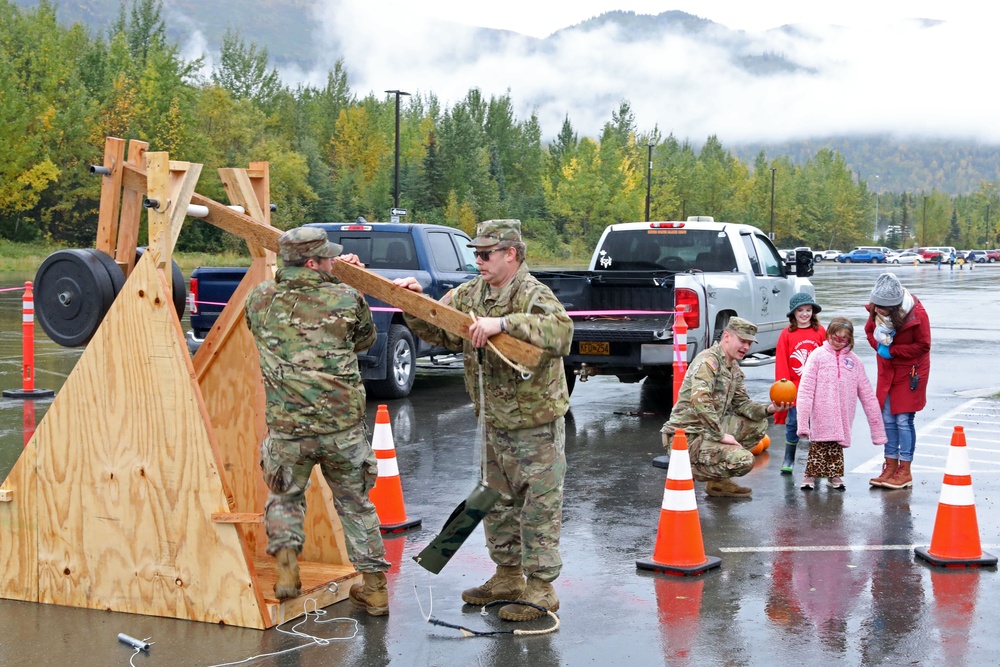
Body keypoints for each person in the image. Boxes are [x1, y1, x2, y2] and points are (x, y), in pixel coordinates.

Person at [393, 219, 573, 622]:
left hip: (534, 424)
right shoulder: (471, 291)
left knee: (538, 505)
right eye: (475, 253)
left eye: (486, 254)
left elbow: (562, 334)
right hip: (493, 420)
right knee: (496, 501)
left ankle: (541, 588)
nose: (478, 260)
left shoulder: (532, 294)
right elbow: (445, 333)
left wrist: (504, 324)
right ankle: (507, 575)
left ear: (511, 254)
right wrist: (416, 305)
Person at [244, 227, 391, 615]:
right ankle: (375, 587)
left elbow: (257, 329)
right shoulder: (347, 297)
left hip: (288, 428)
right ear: (312, 262)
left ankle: (288, 567)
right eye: (328, 257)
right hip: (340, 428)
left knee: (284, 496)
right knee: (356, 505)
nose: (334, 261)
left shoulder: (259, 299)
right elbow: (364, 341)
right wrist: (339, 283)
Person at [661, 317, 791, 498]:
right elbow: (700, 400)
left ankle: (718, 483)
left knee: (758, 424)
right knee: (745, 461)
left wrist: (769, 409)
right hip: (686, 437)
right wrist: (721, 436)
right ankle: (685, 470)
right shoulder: (708, 361)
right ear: (727, 336)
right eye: (742, 341)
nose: (746, 347)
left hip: (707, 430)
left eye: (749, 343)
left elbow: (742, 404)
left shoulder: (733, 368)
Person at [795, 317, 887, 490]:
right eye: (834, 337)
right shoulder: (817, 356)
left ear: (849, 339)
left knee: (836, 448)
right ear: (828, 334)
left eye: (843, 339)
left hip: (843, 415)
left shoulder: (855, 362)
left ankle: (834, 475)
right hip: (821, 413)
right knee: (818, 447)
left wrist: (878, 432)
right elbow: (805, 390)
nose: (838, 342)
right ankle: (810, 475)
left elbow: (867, 395)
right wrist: (803, 423)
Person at [864, 273, 931, 489]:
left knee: (903, 419)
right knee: (887, 418)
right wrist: (880, 349)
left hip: (910, 370)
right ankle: (890, 465)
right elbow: (868, 332)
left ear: (895, 306)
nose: (879, 310)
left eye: (884, 307)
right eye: (877, 306)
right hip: (888, 370)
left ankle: (905, 470)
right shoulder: (875, 309)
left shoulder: (917, 313)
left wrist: (893, 351)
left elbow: (923, 345)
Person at [774, 292, 827, 475]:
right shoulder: (786, 334)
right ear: (793, 313)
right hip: (795, 387)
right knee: (794, 421)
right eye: (800, 310)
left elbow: (827, 356)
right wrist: (783, 387)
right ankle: (789, 457)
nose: (805, 314)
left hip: (817, 387)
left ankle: (817, 460)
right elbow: (781, 361)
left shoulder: (820, 331)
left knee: (817, 424)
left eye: (808, 310)